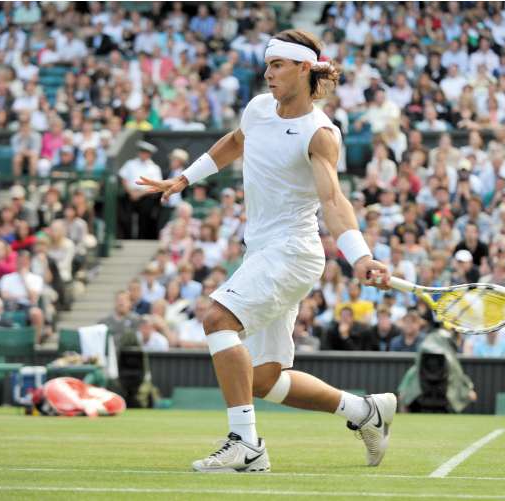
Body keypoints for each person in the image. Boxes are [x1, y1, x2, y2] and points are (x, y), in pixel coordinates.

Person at [138, 29, 395, 473]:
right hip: (262, 252)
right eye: (267, 64)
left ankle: (246, 444)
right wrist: (185, 178)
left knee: (218, 319)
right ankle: (364, 412)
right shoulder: (258, 109)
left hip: (293, 251)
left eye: (277, 65)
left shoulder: (320, 133)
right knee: (262, 380)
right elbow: (235, 143)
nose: (268, 72)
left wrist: (361, 256)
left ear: (303, 69)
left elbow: (334, 202)